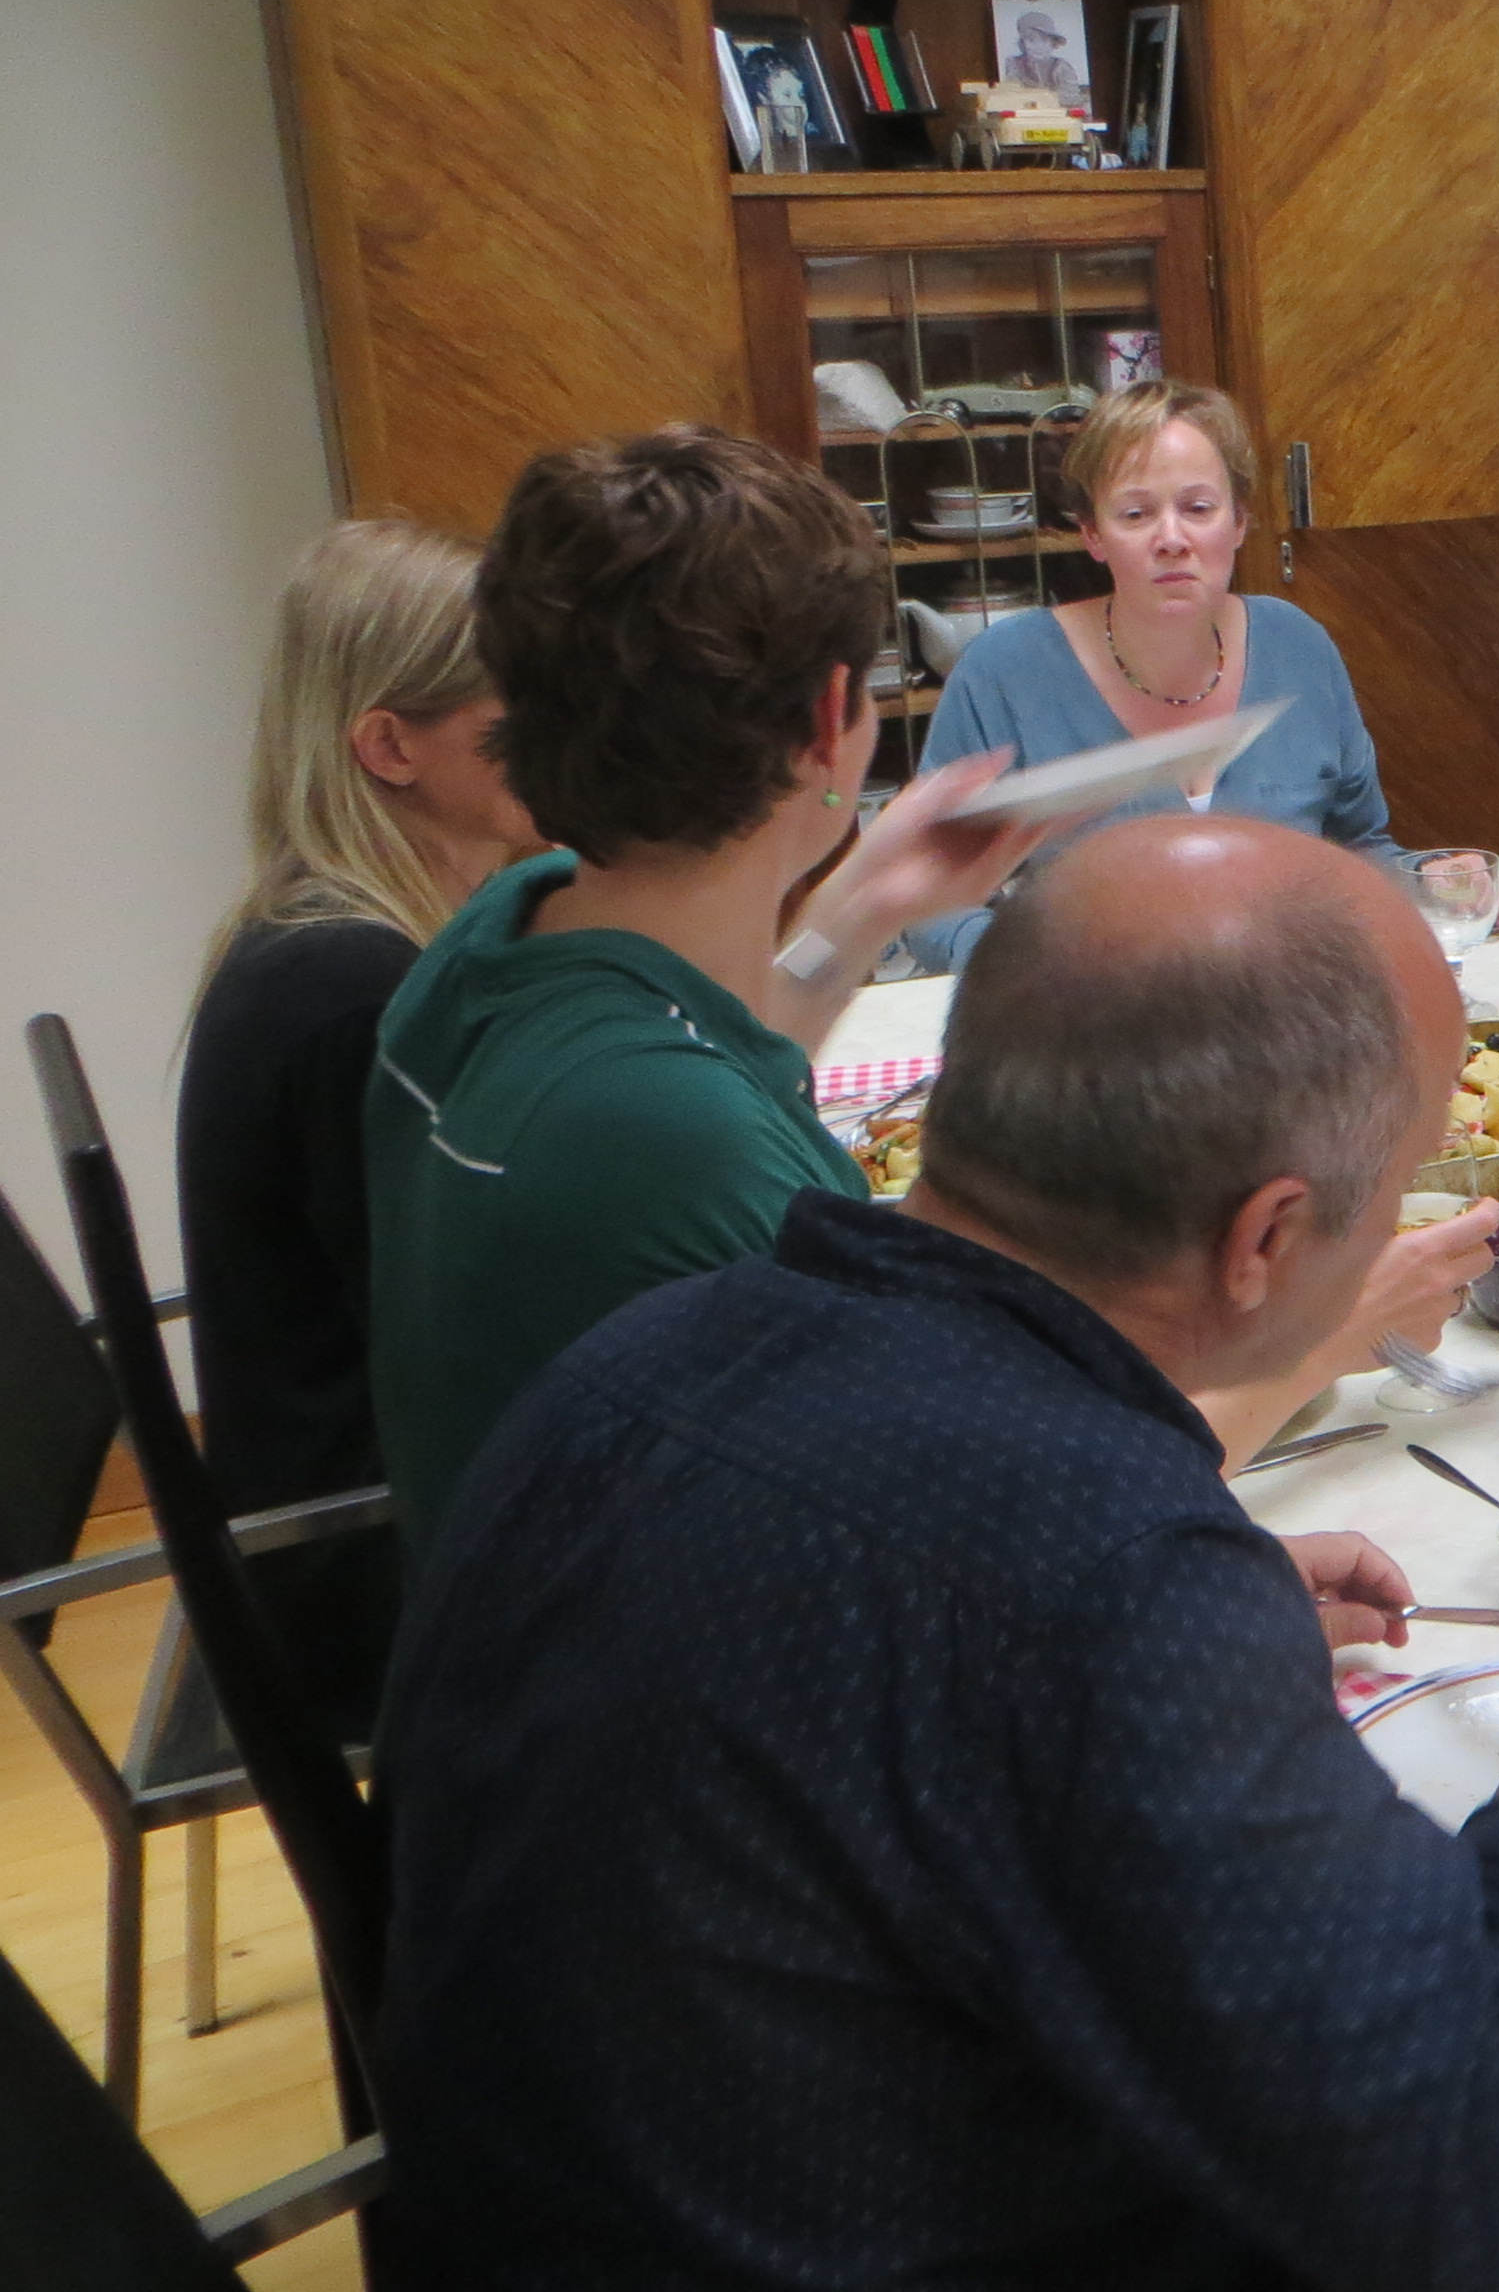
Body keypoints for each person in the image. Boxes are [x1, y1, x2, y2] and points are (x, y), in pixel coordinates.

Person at [371, 818, 1499, 2292]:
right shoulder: (1090, 1572)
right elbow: (1470, 2182)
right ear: (1266, 1240)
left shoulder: (632, 1365)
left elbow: (895, 1690)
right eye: (1395, 1189)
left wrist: (1182, 1640)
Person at [360, 427, 1054, 1541]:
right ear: (830, 723)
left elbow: (722, 1057)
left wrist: (869, 899)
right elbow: (962, 1525)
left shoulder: (504, 931)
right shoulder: (667, 1139)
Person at [176, 519, 531, 1728]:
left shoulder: (342, 937)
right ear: (389, 746)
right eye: (519, 699)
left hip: (371, 1521)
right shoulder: (349, 993)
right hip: (370, 1576)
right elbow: (469, 1342)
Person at [904, 383, 1404, 972]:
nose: (1171, 540)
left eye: (1198, 508)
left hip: (1284, 1001)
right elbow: (927, 898)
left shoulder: (1298, 646)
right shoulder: (1004, 672)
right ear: (1093, 534)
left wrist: (1435, 881)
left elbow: (1361, 848)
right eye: (1136, 514)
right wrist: (1027, 973)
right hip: (1091, 1012)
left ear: (1239, 522)